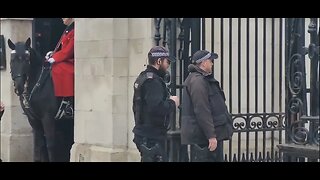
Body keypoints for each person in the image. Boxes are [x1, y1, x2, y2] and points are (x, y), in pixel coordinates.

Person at [181, 50, 233, 162]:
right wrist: (211, 136)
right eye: (210, 61)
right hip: (203, 138)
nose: (212, 64)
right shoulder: (197, 81)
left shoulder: (203, 79)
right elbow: (202, 110)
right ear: (203, 63)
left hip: (208, 135)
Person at [132, 46, 179, 162]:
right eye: (167, 61)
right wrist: (172, 103)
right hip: (151, 136)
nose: (168, 65)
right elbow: (156, 108)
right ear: (159, 61)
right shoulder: (153, 81)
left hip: (147, 134)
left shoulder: (145, 77)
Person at [45, 18, 75, 119]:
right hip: (65, 59)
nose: (62, 18)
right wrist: (52, 54)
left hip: (72, 61)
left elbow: (68, 51)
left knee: (60, 68)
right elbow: (61, 48)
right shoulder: (68, 29)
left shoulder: (74, 30)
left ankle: (68, 101)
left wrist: (55, 58)